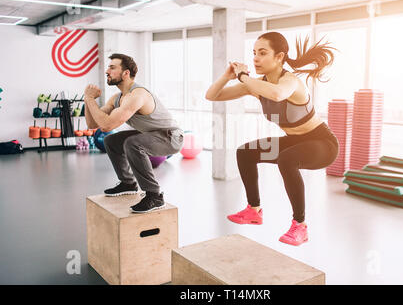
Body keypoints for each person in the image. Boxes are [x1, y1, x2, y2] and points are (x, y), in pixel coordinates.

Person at [205, 32, 339, 246]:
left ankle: (300, 226)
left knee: (287, 160)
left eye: (263, 53)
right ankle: (253, 210)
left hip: (323, 144)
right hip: (296, 141)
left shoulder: (291, 82)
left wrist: (243, 78)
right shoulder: (256, 86)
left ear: (279, 57)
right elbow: (212, 96)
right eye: (254, 53)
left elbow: (277, 94)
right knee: (245, 152)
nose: (255, 58)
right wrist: (227, 76)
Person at [84, 53, 184, 213]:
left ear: (126, 73)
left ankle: (155, 196)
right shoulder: (117, 98)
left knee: (132, 144)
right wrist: (87, 99)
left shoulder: (137, 95)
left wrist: (90, 100)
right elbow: (92, 124)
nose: (107, 71)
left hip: (171, 137)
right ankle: (128, 183)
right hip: (151, 134)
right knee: (112, 141)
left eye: (112, 67)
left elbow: (106, 125)